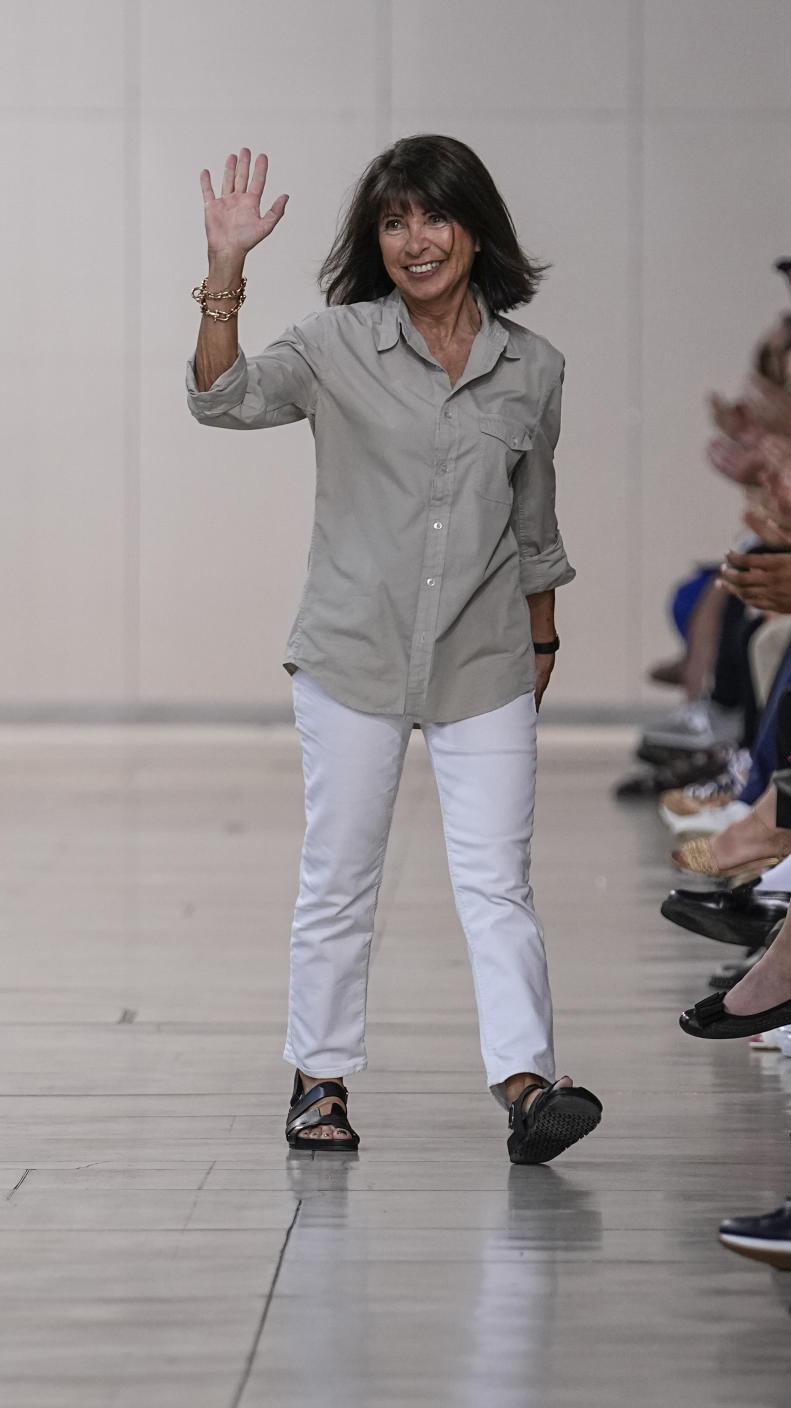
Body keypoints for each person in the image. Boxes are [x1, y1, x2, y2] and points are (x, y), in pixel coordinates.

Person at [186, 137, 601, 1164]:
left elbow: (535, 523)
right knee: (341, 873)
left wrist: (543, 637)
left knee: (498, 878)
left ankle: (526, 1080)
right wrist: (227, 268)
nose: (415, 241)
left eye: (434, 217)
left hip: (486, 653)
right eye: (393, 221)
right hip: (352, 652)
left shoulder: (532, 367)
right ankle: (318, 1079)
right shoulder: (335, 345)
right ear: (376, 241)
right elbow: (222, 396)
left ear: (474, 229)